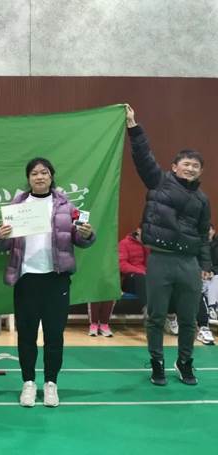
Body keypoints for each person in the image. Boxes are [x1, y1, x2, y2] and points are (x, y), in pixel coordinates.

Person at [0, 157, 95, 407]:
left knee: (54, 335)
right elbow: (2, 245)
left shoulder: (67, 206)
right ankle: (28, 383)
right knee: (26, 335)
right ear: (28, 178)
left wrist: (87, 234)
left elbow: (81, 240)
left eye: (44, 173)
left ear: (51, 176)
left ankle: (51, 383)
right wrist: (0, 235)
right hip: (26, 278)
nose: (40, 177)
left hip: (56, 279)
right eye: (34, 173)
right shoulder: (17, 206)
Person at [125, 104, 212, 386]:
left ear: (200, 172)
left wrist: (206, 264)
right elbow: (143, 158)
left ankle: (185, 361)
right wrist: (133, 127)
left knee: (189, 318)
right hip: (160, 260)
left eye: (195, 166)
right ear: (174, 167)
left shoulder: (203, 200)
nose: (190, 168)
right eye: (186, 163)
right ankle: (157, 362)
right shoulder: (159, 181)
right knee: (156, 317)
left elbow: (203, 234)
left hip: (188, 263)